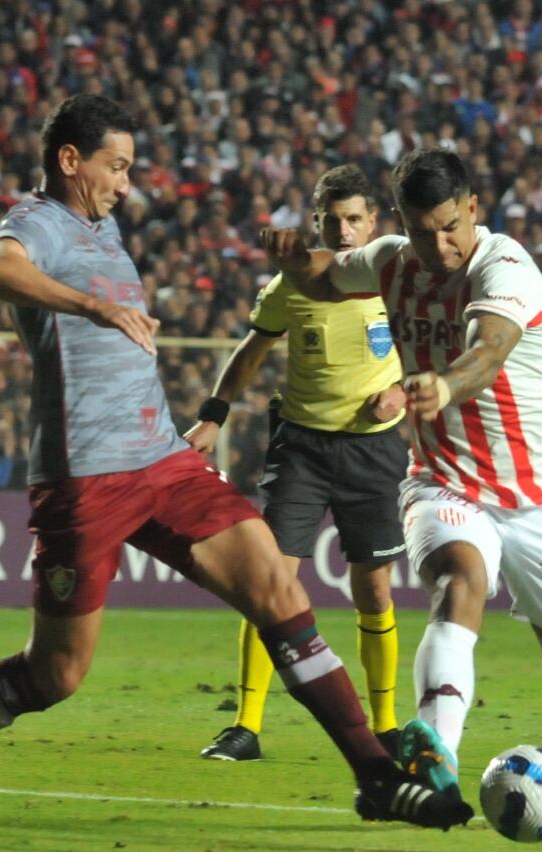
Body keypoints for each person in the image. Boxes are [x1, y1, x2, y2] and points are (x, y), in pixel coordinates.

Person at [0, 96, 471, 837]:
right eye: (116, 166)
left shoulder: (99, 223)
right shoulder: (40, 222)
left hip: (164, 461)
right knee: (56, 676)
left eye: (131, 168)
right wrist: (91, 307)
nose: (126, 184)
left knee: (276, 582)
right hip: (87, 476)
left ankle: (373, 774)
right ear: (70, 161)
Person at [260, 148, 542, 821]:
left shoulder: (506, 267)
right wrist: (293, 254)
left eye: (449, 228)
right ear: (402, 223)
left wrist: (444, 383)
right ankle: (438, 744)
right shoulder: (391, 260)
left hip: (539, 495)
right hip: (444, 482)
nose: (437, 246)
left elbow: (488, 349)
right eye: (420, 231)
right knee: (457, 583)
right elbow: (326, 276)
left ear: (473, 210)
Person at [185, 164, 407, 761]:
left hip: (374, 449)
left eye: (354, 219)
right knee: (268, 583)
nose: (343, 231)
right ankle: (247, 726)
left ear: (373, 223)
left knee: (374, 590)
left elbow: (436, 347)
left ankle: (385, 725)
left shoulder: (395, 281)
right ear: (316, 222)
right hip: (303, 448)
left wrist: (406, 390)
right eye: (332, 221)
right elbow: (252, 348)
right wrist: (214, 413)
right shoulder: (292, 284)